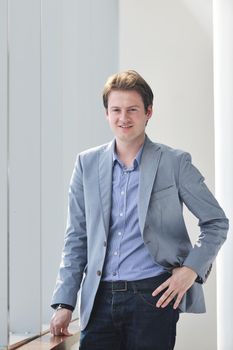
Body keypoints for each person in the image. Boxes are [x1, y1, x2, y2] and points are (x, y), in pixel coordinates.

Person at [50, 70, 229, 349]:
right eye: (116, 110)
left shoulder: (175, 162)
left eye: (132, 109)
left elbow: (216, 221)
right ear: (106, 114)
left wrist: (191, 269)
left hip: (153, 296)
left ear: (149, 112)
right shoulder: (86, 165)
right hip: (98, 300)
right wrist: (64, 301)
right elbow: (77, 238)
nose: (124, 118)